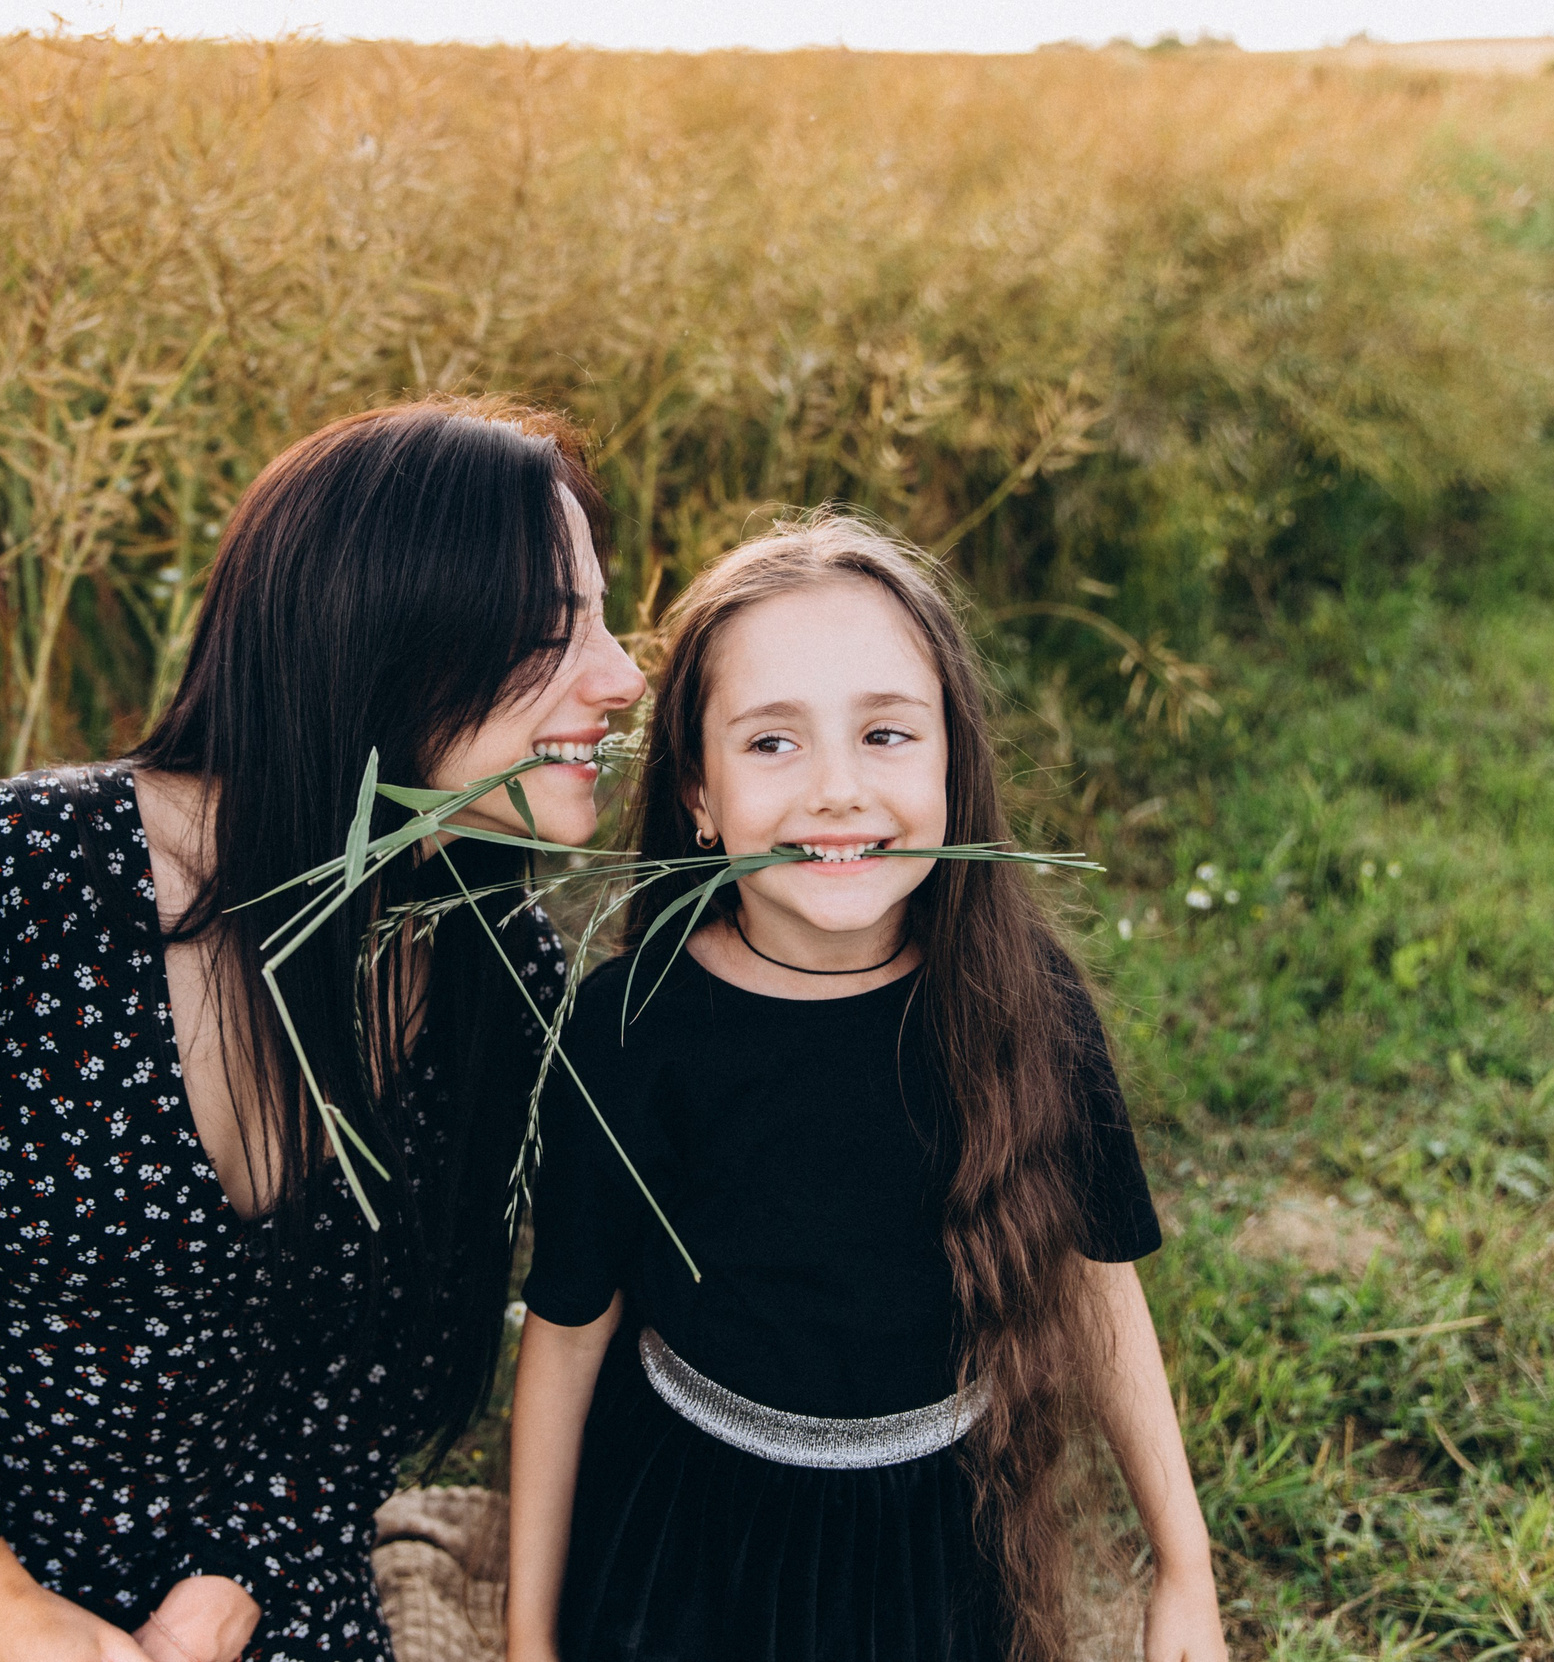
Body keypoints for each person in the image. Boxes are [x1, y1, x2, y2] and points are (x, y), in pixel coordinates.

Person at [0, 396, 647, 1662]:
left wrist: (235, 1577)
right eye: (552, 630)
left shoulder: (495, 964)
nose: (621, 676)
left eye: (602, 620)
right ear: (383, 635)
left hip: (253, 1580)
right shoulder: (14, 877)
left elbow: (386, 1357)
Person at [505, 509, 1227, 1662]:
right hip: (688, 1535)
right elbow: (569, 1328)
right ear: (698, 793)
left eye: (886, 733)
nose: (837, 789)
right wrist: (527, 1634)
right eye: (771, 742)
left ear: (953, 761)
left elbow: (1095, 1277)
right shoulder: (631, 1023)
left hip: (933, 1537)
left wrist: (1183, 1566)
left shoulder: (1023, 998)